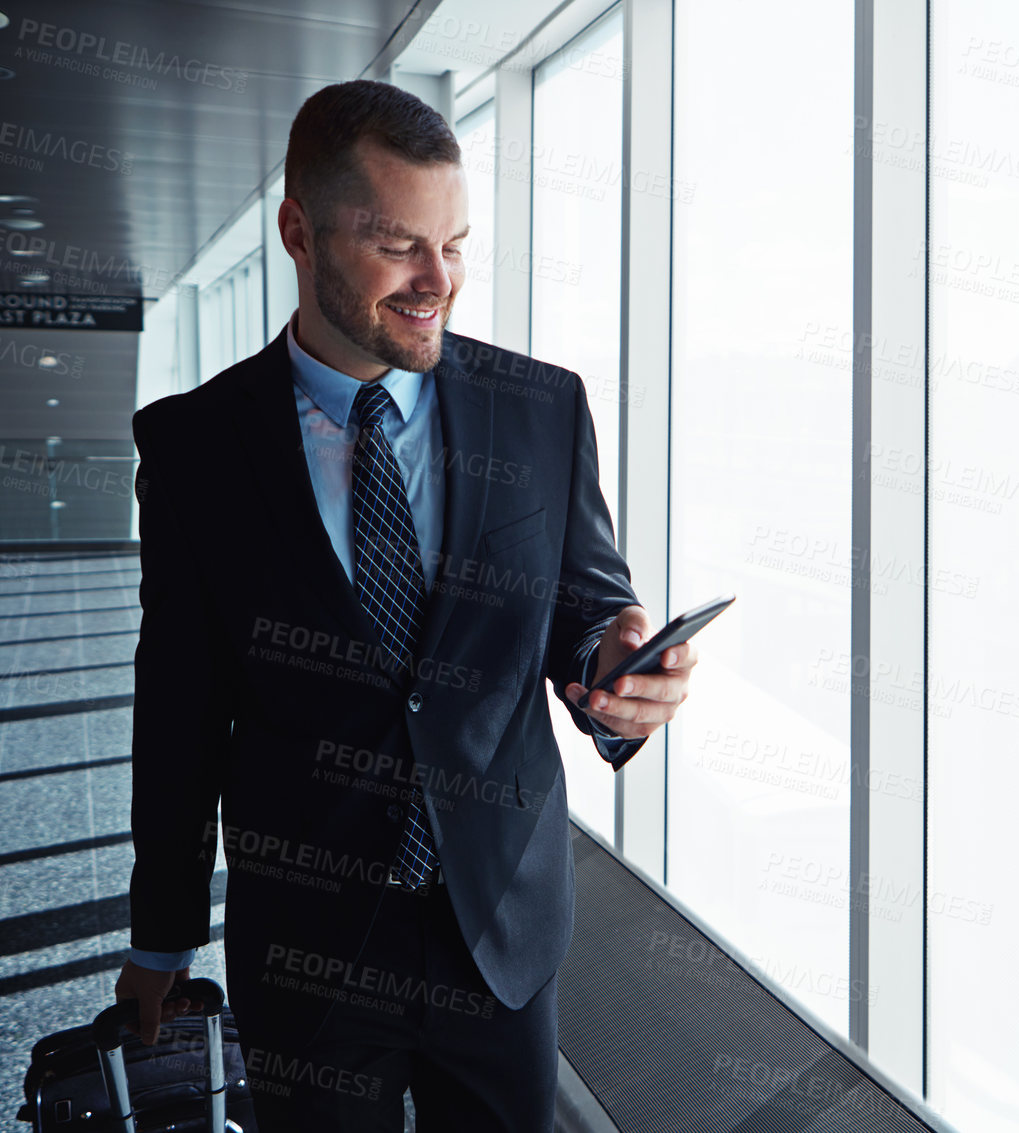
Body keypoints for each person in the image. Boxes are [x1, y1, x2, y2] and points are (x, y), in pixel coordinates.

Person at [112, 79, 693, 1130]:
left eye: (455, 244)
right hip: (311, 944)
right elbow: (181, 708)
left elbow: (586, 597)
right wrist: (161, 935)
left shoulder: (542, 406)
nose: (439, 282)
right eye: (398, 248)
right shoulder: (197, 447)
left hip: (499, 934)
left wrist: (617, 658)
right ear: (299, 231)